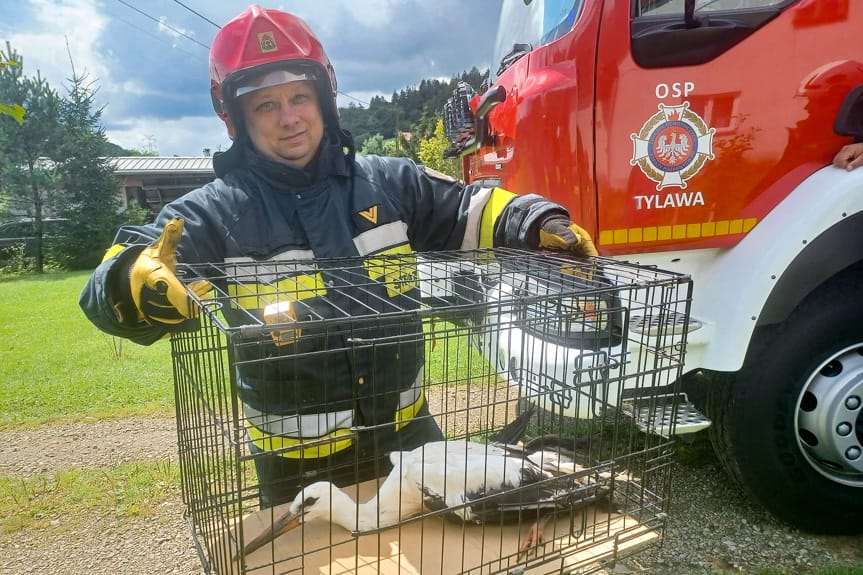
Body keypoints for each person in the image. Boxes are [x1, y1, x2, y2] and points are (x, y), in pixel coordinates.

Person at [79, 4, 597, 508]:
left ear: (324, 98)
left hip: (412, 442)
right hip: (299, 473)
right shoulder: (214, 212)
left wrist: (537, 222)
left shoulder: (388, 181)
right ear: (235, 117)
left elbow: (470, 207)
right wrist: (127, 279)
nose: (289, 119)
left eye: (299, 97)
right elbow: (123, 267)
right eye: (265, 105)